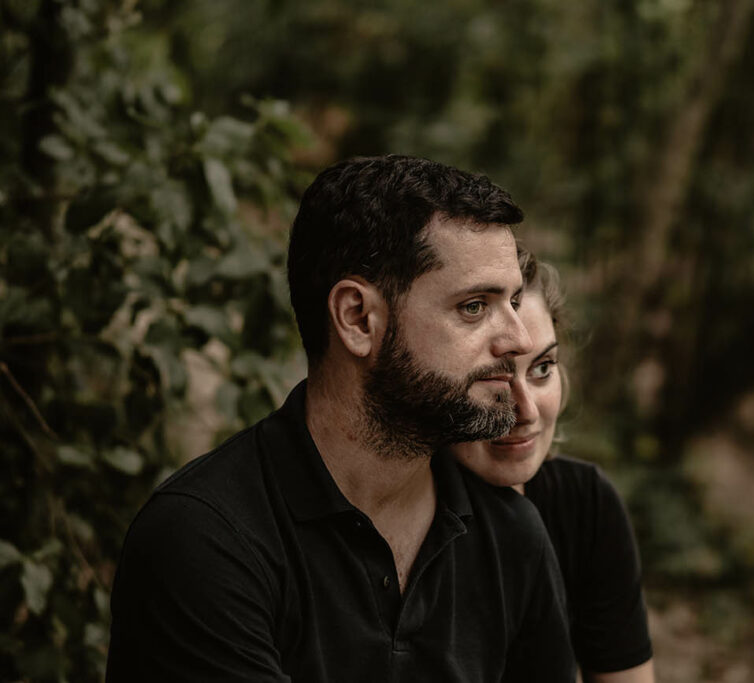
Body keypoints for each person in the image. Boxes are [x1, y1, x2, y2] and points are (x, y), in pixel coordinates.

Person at [106, 155, 576, 682]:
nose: (516, 339)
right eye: (474, 306)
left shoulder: (510, 536)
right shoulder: (206, 540)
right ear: (357, 318)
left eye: (512, 301)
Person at [450, 249, 655, 683]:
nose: (525, 411)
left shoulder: (585, 504)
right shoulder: (400, 526)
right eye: (494, 378)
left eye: (542, 368)